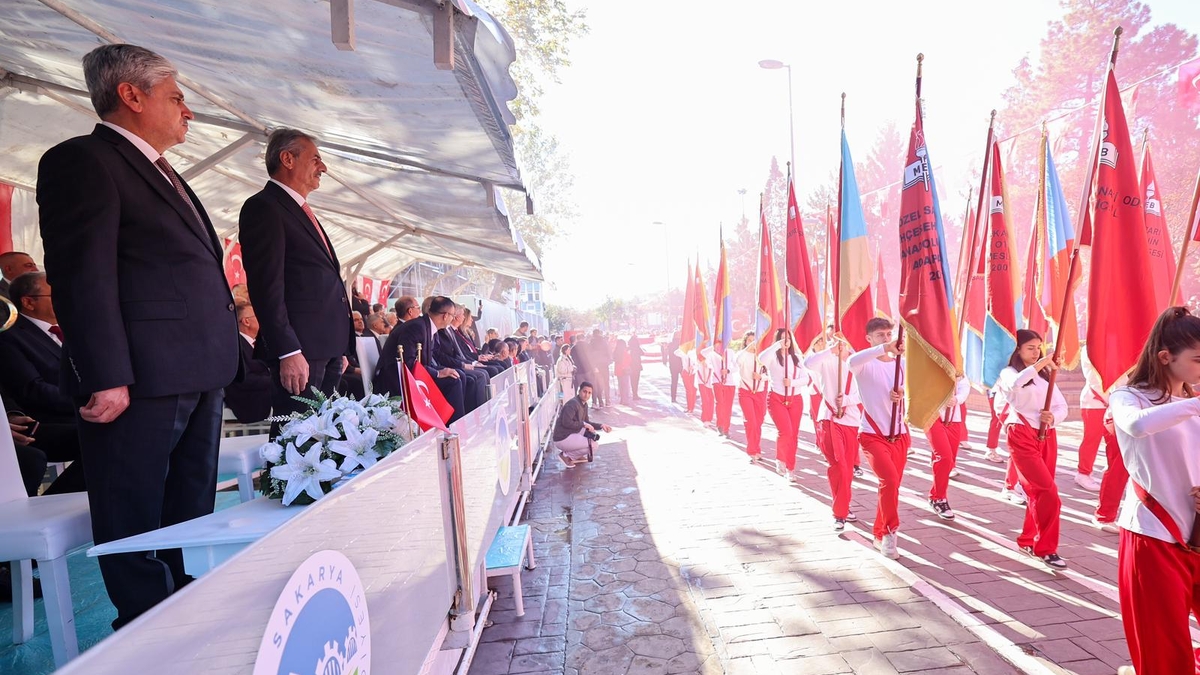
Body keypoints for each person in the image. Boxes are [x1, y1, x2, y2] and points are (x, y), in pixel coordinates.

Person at [36, 44, 240, 628]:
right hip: (140, 375)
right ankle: (146, 623)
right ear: (130, 95)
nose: (188, 111)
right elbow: (82, 273)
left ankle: (181, 602)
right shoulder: (83, 160)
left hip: (198, 369)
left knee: (188, 503)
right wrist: (103, 374)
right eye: (176, 97)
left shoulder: (164, 171)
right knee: (132, 508)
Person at [239, 128, 353, 431]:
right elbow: (266, 287)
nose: (324, 167)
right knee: (297, 441)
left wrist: (340, 347)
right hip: (300, 351)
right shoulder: (264, 207)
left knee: (325, 441)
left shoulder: (301, 211)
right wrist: (287, 350)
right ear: (287, 159)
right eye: (315, 158)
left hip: (325, 350)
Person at [1107, 307, 1200, 675]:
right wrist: (1193, 404)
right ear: (1165, 357)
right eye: (1197, 359)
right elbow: (1136, 426)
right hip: (1155, 534)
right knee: (1165, 651)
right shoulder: (1129, 397)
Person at [0, 273, 88, 495]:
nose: (64, 299)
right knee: (106, 438)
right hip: (45, 418)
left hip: (75, 412)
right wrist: (87, 402)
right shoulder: (10, 335)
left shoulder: (69, 329)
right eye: (55, 294)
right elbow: (33, 389)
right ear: (28, 302)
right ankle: (54, 504)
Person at [996, 329, 1068, 569]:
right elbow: (1016, 385)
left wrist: (1053, 417)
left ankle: (1028, 539)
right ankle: (1046, 548)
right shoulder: (1008, 373)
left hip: (1047, 434)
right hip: (1021, 433)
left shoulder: (1045, 376)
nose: (1036, 352)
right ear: (1017, 350)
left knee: (1039, 492)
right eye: (1030, 347)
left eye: (1039, 347)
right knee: (1048, 491)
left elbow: (1062, 406)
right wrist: (1044, 363)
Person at [848, 317, 908, 560]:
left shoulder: (899, 364)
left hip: (899, 435)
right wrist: (885, 348)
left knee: (892, 488)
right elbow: (852, 360)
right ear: (869, 339)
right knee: (890, 481)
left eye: (888, 334)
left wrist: (901, 394)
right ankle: (891, 534)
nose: (886, 338)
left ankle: (879, 531)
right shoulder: (864, 364)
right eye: (881, 335)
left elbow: (902, 391)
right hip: (873, 435)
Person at [373, 296, 466, 422]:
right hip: (395, 379)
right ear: (445, 316)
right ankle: (453, 427)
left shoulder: (426, 325)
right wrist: (438, 373)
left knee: (457, 374)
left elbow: (425, 360)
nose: (452, 319)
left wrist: (443, 370)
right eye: (452, 315)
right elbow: (407, 362)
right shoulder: (416, 327)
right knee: (453, 381)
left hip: (412, 372)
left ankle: (455, 421)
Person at [806, 334, 861, 531]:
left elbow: (865, 391)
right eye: (835, 339)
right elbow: (808, 363)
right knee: (837, 466)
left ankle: (842, 508)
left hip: (851, 420)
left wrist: (846, 400)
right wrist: (831, 351)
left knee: (846, 467)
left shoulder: (859, 360)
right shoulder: (827, 359)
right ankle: (840, 510)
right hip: (828, 418)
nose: (839, 343)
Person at [760, 329, 808, 476]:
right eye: (781, 338)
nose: (785, 341)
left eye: (787, 338)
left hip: (796, 399)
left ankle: (790, 468)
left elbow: (806, 379)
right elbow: (762, 359)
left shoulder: (797, 358)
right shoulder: (773, 358)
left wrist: (792, 383)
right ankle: (780, 459)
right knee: (785, 431)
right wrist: (777, 346)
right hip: (777, 399)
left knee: (794, 434)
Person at [926, 375, 970, 520]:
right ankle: (938, 498)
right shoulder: (928, 360)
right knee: (944, 458)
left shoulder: (955, 362)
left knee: (948, 461)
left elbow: (964, 385)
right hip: (931, 415)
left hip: (953, 418)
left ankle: (936, 495)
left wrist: (957, 399)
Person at [224, 301, 273, 423]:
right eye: (257, 315)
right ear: (246, 321)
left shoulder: (259, 343)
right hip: (248, 400)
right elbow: (242, 378)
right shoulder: (234, 345)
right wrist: (274, 381)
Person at [552, 381, 610, 466]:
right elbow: (566, 422)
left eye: (589, 393)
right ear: (579, 391)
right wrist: (583, 424)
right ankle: (566, 456)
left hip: (570, 433)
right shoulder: (573, 404)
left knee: (592, 436)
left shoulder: (584, 404)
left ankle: (576, 456)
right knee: (593, 445)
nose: (587, 395)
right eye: (584, 391)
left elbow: (587, 422)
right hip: (562, 438)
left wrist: (601, 426)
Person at [1075, 348, 1108, 493]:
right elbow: (1095, 377)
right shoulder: (1090, 347)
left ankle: (1111, 468)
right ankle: (1083, 473)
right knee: (1092, 439)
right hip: (1095, 401)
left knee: (1114, 439)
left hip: (1113, 399)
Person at [735, 331, 769, 463]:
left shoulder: (764, 356)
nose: (753, 343)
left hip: (760, 392)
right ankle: (751, 450)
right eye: (749, 340)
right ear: (745, 342)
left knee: (758, 422)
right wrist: (747, 349)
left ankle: (757, 448)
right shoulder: (742, 355)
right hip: (745, 391)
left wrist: (760, 377)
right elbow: (738, 361)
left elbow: (770, 375)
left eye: (755, 340)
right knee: (751, 422)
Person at [702, 340, 736, 437]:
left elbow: (737, 367)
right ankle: (720, 425)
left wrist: (728, 370)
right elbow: (703, 354)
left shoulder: (731, 352)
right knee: (720, 404)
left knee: (728, 407)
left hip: (729, 382)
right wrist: (714, 346)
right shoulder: (712, 353)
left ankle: (726, 429)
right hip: (717, 381)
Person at [588, 330, 613, 407]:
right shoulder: (604, 342)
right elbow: (609, 353)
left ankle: (596, 402)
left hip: (595, 366)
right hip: (604, 365)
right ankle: (607, 401)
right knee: (606, 383)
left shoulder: (591, 343)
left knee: (596, 384)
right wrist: (609, 361)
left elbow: (589, 355)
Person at [612, 339, 631, 404]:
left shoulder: (615, 351)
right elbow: (628, 359)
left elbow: (613, 359)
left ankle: (622, 399)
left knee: (620, 385)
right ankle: (625, 400)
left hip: (618, 370)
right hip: (624, 370)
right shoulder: (625, 351)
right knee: (625, 385)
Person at [668, 332, 683, 403]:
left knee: (674, 382)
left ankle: (673, 397)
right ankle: (691, 395)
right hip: (681, 365)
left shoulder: (670, 345)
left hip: (672, 366)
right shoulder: (681, 344)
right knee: (687, 381)